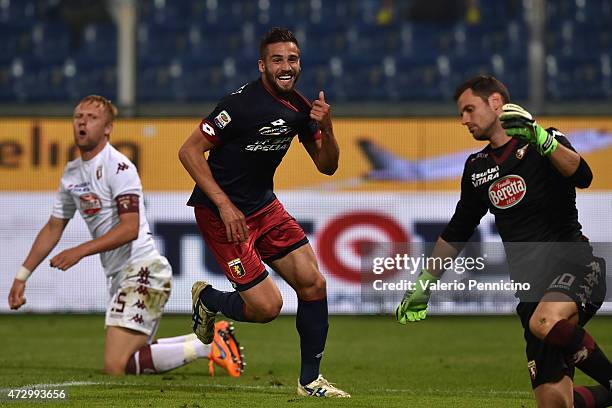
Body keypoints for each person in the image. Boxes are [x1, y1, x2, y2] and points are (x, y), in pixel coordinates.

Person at [396, 75, 611, 407]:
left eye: (469, 110)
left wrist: (543, 139)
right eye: (461, 114)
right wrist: (426, 282)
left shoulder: (546, 140)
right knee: (555, 403)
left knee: (546, 321)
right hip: (530, 291)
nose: (464, 120)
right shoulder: (477, 167)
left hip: (576, 265)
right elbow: (459, 229)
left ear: (495, 102)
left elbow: (583, 175)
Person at [7, 95, 244, 378]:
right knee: (129, 361)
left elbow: (130, 228)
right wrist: (22, 275)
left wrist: (79, 251)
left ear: (108, 128)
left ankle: (209, 346)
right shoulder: (71, 173)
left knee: (116, 365)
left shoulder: (118, 167)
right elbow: (53, 227)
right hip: (120, 276)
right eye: (78, 116)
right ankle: (209, 343)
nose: (82, 122)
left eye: (92, 117)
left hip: (143, 270)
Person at [178, 27, 350, 398]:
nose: (286, 66)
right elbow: (189, 152)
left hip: (263, 206)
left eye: (292, 59)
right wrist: (224, 205)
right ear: (262, 66)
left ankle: (310, 382)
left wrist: (328, 127)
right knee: (268, 307)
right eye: (277, 60)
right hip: (220, 212)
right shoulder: (238, 105)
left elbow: (328, 167)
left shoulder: (304, 110)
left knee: (314, 283)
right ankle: (209, 300)